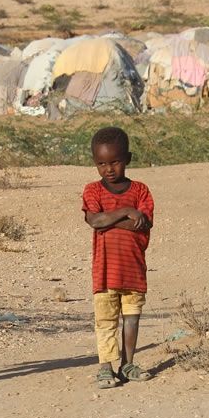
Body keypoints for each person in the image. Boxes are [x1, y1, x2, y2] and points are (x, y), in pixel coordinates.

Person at [82, 127, 155, 389]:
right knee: (106, 320)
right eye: (101, 163)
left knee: (132, 318)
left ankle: (127, 364)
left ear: (128, 159)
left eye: (114, 161)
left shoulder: (141, 191)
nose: (108, 169)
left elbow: (142, 224)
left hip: (133, 268)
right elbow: (95, 221)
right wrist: (126, 211)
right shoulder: (93, 191)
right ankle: (105, 367)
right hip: (104, 272)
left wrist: (107, 222)